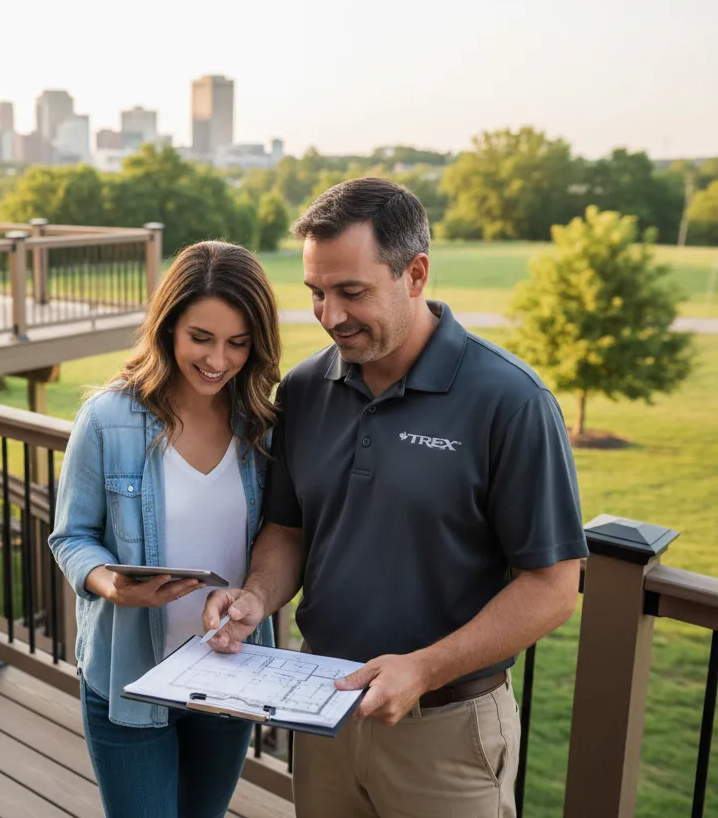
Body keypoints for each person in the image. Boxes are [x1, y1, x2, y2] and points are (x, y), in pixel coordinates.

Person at [202, 178, 588, 818]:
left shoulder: (512, 402)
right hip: (320, 709)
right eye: (316, 294)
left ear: (416, 273)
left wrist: (425, 669)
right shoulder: (303, 391)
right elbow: (289, 531)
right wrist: (256, 597)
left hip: (446, 731)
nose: (330, 316)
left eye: (351, 292)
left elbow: (552, 585)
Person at [48, 239, 283, 818]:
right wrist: (110, 584)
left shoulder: (264, 425)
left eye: (237, 343)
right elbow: (71, 536)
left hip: (230, 671)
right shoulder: (107, 418)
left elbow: (282, 537)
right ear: (168, 327)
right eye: (201, 338)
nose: (217, 360)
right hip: (131, 679)